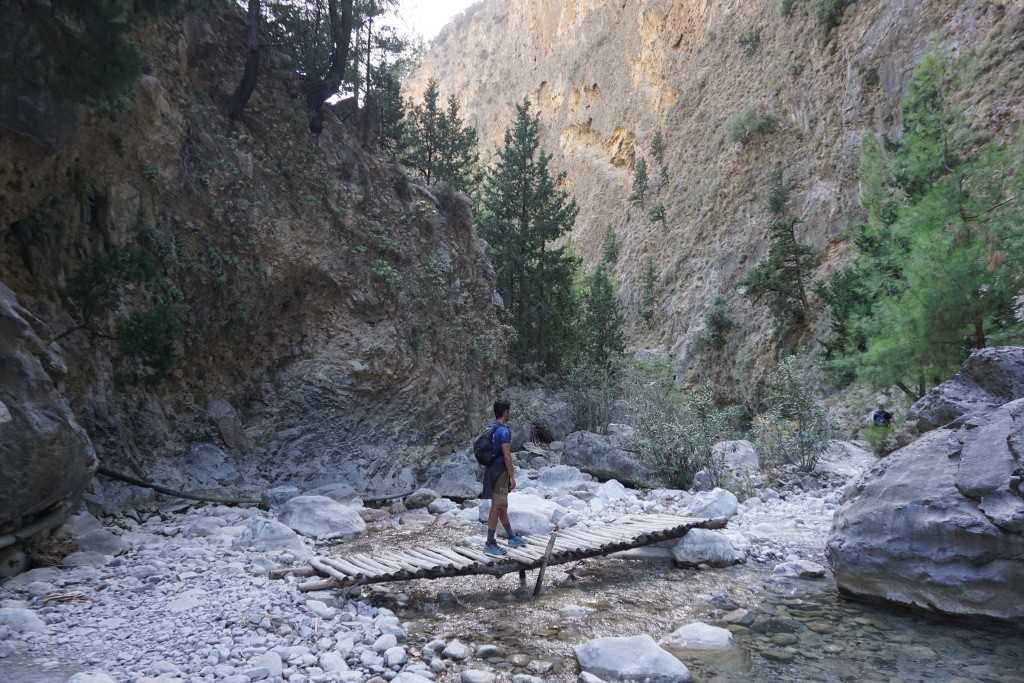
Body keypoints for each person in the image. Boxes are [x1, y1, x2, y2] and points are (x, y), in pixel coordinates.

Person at [481, 399, 528, 556]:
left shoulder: (490, 428)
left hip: (490, 470)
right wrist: (511, 477)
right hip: (500, 471)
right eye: (509, 410)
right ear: (505, 412)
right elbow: (507, 456)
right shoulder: (503, 431)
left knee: (501, 505)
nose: (510, 413)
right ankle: (489, 542)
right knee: (498, 506)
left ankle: (511, 536)